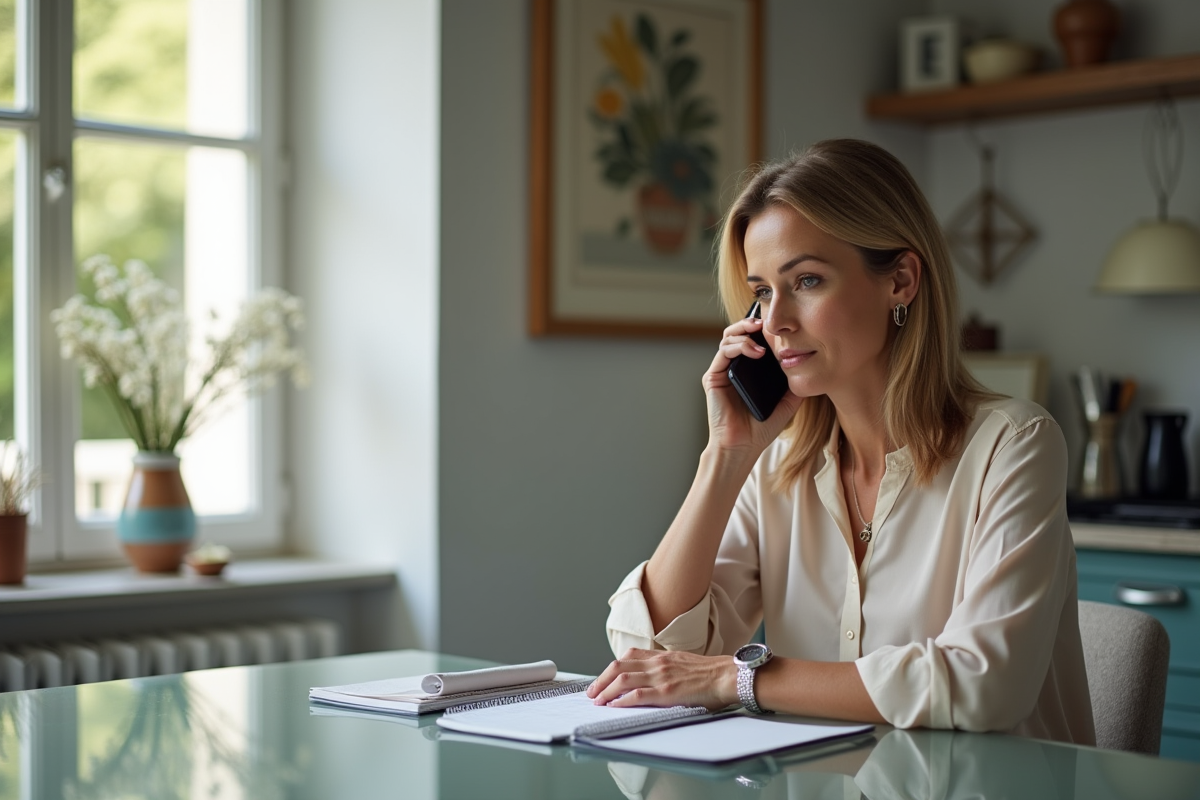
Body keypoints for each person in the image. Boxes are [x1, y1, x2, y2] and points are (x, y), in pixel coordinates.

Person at [588, 139, 1095, 744]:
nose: (775, 322)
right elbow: (650, 653)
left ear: (901, 280)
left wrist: (739, 678)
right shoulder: (775, 465)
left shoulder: (1014, 445)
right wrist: (724, 457)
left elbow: (984, 683)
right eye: (762, 291)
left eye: (806, 280)